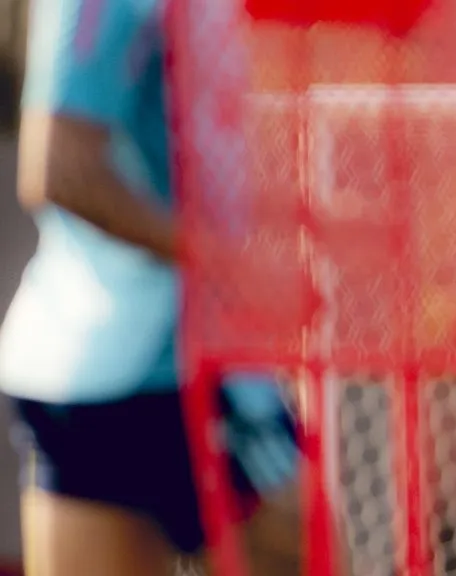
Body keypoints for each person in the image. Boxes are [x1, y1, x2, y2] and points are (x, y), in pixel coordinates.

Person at [0, 0, 299, 574]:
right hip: (160, 368)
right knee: (315, 548)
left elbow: (191, 159)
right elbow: (60, 168)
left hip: (85, 371)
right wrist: (235, 269)